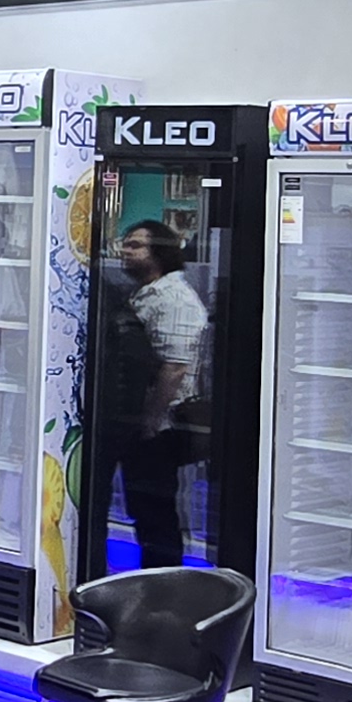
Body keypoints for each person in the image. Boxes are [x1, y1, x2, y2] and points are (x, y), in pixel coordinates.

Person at [88, 219, 208, 571]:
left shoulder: (174, 299)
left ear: (160, 252)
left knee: (155, 513)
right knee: (140, 507)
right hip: (134, 421)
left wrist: (150, 421)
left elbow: (174, 367)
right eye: (126, 244)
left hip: (160, 426)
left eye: (136, 246)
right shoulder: (144, 293)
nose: (125, 252)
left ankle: (163, 583)